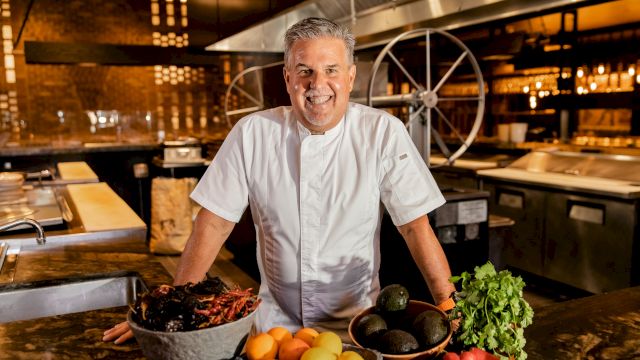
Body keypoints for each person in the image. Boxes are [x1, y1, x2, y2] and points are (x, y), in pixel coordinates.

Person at [104, 16, 455, 344]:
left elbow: (414, 226)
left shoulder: (383, 133)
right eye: (305, 71)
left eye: (331, 70)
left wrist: (449, 306)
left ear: (350, 78)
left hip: (359, 329)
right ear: (288, 78)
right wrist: (170, 315)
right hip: (273, 331)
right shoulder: (253, 133)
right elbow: (213, 224)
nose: (318, 84)